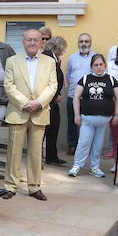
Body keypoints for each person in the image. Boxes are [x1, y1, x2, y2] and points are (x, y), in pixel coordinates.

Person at [1, 28, 57, 200]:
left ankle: (34, 187)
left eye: (36, 40)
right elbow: (9, 86)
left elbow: (52, 86)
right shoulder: (12, 61)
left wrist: (38, 103)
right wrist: (25, 103)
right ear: (23, 42)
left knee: (35, 153)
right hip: (18, 111)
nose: (32, 43)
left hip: (39, 112)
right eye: (29, 40)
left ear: (41, 42)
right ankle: (11, 185)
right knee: (14, 152)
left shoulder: (50, 62)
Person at [69, 52, 118, 178]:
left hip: (104, 121)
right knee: (84, 143)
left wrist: (117, 115)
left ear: (105, 65)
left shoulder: (111, 80)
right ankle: (76, 166)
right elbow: (76, 97)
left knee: (98, 145)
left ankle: (94, 167)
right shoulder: (85, 79)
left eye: (101, 64)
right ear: (91, 66)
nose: (98, 67)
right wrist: (76, 115)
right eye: (95, 65)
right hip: (87, 119)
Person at [63, 34, 96, 152]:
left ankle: (86, 148)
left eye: (86, 41)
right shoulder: (72, 58)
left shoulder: (95, 57)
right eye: (81, 41)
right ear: (78, 43)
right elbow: (68, 74)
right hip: (73, 95)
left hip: (89, 98)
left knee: (88, 123)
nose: (84, 44)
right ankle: (72, 146)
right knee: (72, 122)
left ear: (90, 43)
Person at [43, 36, 69, 166]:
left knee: (54, 127)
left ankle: (51, 156)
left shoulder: (53, 58)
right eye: (63, 47)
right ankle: (44, 157)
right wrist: (54, 97)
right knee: (46, 130)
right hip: (47, 100)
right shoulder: (47, 58)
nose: (64, 50)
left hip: (53, 99)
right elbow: (45, 81)